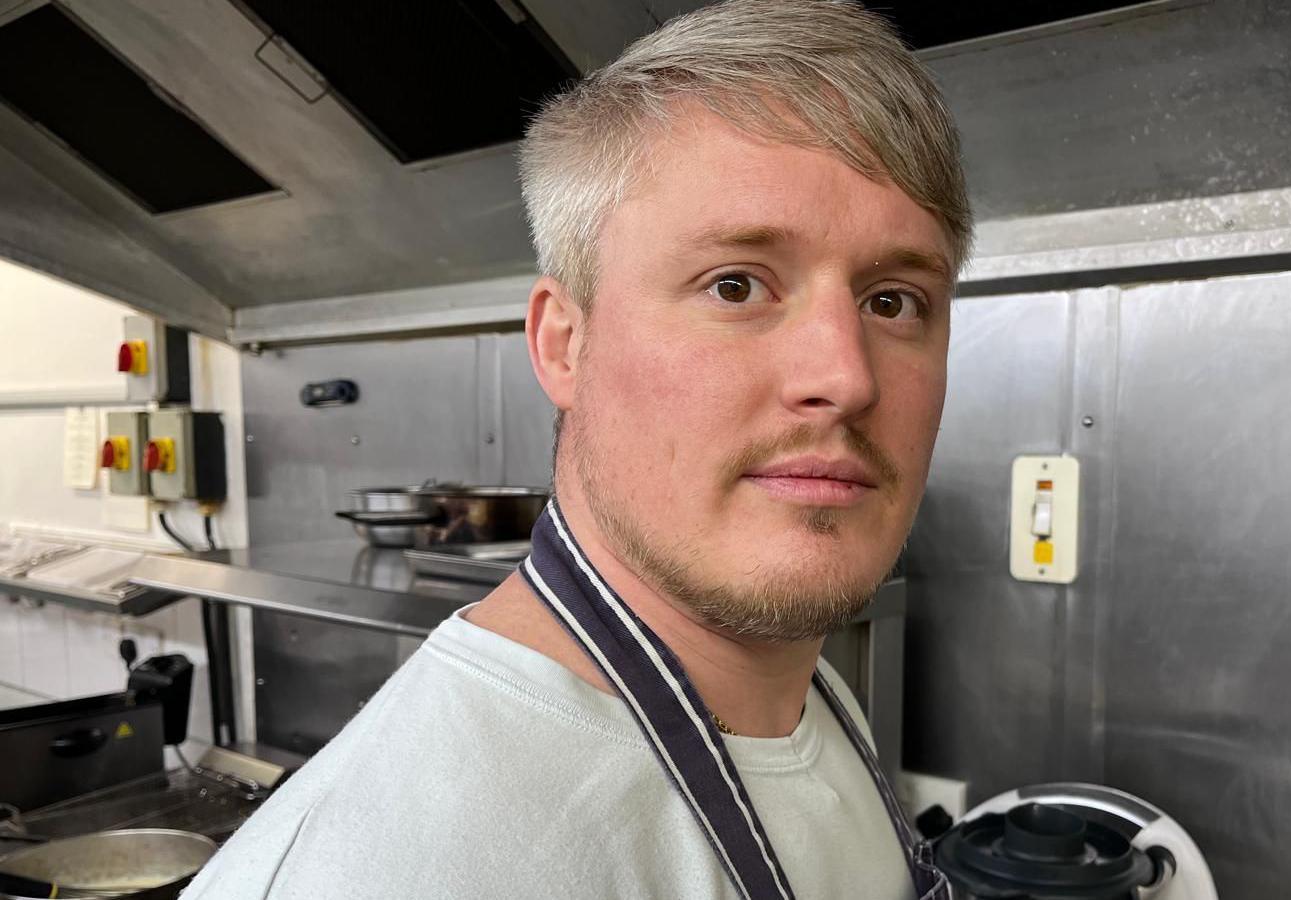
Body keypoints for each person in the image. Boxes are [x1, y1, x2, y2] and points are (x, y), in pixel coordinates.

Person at [182, 0, 971, 896]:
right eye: (736, 284)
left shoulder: (816, 708)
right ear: (565, 343)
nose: (847, 376)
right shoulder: (390, 869)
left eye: (894, 300)